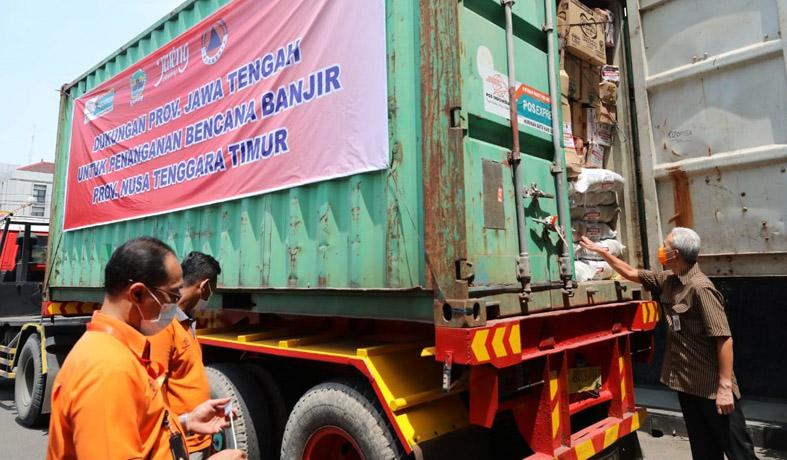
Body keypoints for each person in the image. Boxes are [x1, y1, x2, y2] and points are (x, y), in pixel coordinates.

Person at [47, 237, 245, 460]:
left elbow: (142, 428)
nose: (175, 305)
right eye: (172, 296)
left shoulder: (121, 354)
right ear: (138, 294)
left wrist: (187, 421)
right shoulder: (107, 369)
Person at [579, 227, 757, 459]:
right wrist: (602, 252)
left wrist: (724, 388)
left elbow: (724, 339)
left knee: (740, 453)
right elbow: (631, 273)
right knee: (704, 452)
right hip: (687, 386)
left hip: (712, 389)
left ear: (676, 254)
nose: (661, 250)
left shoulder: (701, 289)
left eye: (665, 246)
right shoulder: (668, 281)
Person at [150, 251, 222, 459]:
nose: (209, 297)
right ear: (205, 286)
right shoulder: (164, 325)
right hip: (183, 442)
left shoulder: (185, 321)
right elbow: (154, 391)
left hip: (198, 437)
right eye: (212, 290)